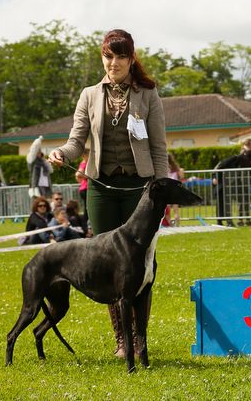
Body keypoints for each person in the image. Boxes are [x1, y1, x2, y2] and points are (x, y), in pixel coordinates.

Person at [48, 29, 168, 358]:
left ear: (131, 59)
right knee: (107, 265)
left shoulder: (148, 94)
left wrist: (161, 194)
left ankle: (139, 338)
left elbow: (159, 148)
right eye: (108, 56)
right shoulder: (88, 95)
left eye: (120, 56)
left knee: (143, 264)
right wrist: (62, 153)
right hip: (100, 189)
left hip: (139, 190)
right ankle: (121, 339)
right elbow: (76, 140)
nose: (113, 62)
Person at [213, 139, 251, 226]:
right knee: (226, 202)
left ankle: (244, 220)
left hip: (236, 183)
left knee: (244, 200)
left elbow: (250, 164)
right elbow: (220, 165)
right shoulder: (235, 158)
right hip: (225, 183)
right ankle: (228, 222)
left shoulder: (243, 159)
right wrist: (215, 177)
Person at [163, 153, 185, 227]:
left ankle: (169, 224)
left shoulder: (164, 167)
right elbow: (181, 176)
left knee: (167, 210)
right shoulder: (175, 167)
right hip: (175, 189)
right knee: (176, 211)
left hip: (167, 189)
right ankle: (177, 225)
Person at [76, 151, 89, 218]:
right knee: (88, 207)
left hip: (84, 188)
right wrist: (89, 177)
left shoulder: (85, 163)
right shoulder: (84, 163)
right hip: (85, 189)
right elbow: (78, 174)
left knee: (87, 207)